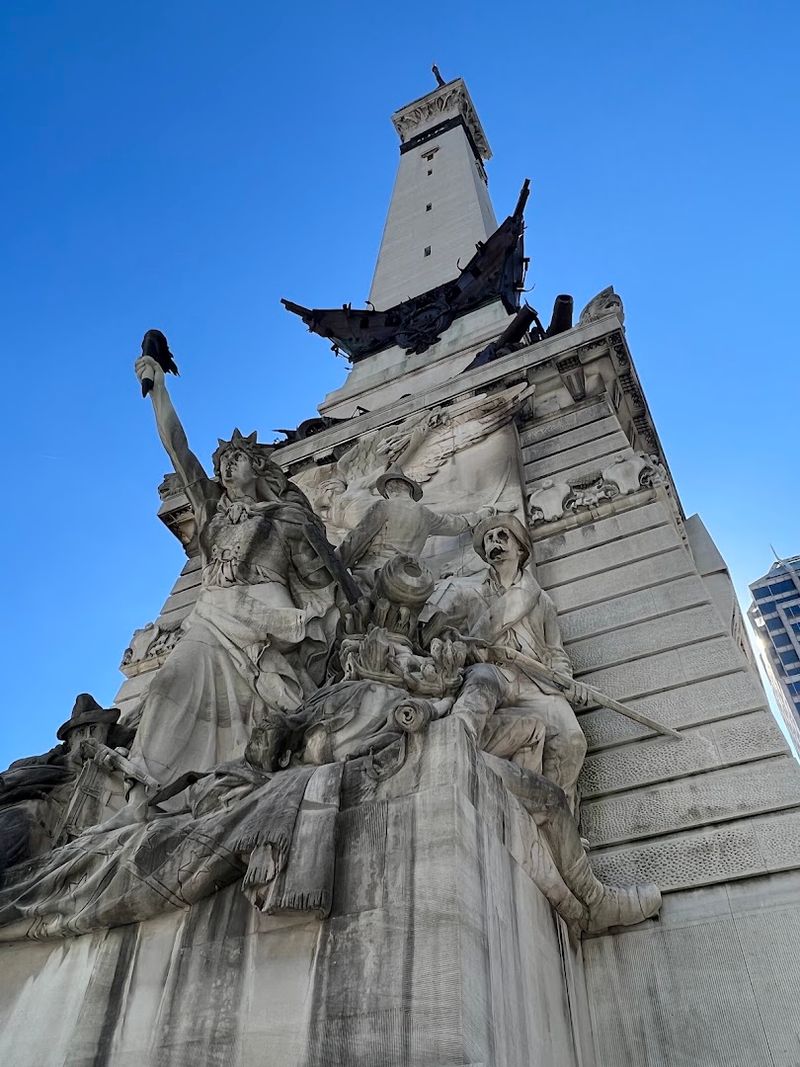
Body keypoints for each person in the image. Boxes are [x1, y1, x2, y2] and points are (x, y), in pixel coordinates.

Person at [127, 354, 338, 788]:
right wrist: (159, 390)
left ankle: (250, 773)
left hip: (267, 617)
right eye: (222, 462)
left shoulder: (289, 519)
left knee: (269, 708)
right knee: (167, 685)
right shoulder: (211, 511)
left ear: (258, 465)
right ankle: (143, 789)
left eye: (235, 458)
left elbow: (319, 582)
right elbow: (178, 449)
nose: (225, 466)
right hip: (213, 613)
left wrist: (328, 619)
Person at [444, 514, 589, 813]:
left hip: (537, 682)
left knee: (573, 741)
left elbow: (555, 651)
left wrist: (566, 681)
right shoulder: (470, 593)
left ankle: (555, 816)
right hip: (496, 671)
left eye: (502, 536)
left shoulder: (542, 601)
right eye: (489, 539)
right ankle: (453, 744)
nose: (495, 543)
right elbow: (442, 631)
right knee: (480, 681)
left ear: (521, 548)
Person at [336, 466, 489, 589]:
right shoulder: (425, 514)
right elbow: (455, 525)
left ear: (388, 490)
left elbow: (357, 538)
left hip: (374, 573)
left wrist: (336, 562)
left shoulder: (384, 506)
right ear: (409, 489)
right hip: (410, 578)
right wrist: (482, 514)